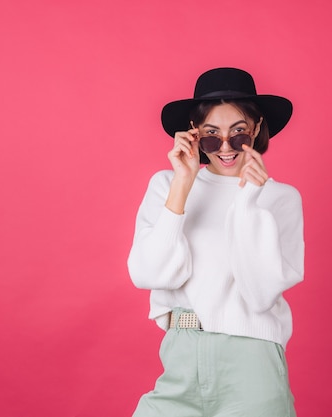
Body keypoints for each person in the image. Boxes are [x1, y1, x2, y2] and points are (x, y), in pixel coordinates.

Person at [127, 67, 305, 417]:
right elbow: (148, 273)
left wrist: (248, 202)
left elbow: (259, 292)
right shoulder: (167, 185)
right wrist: (183, 183)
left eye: (238, 134)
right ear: (193, 136)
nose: (226, 148)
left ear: (256, 129)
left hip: (251, 362)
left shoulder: (280, 198)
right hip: (181, 354)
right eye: (211, 136)